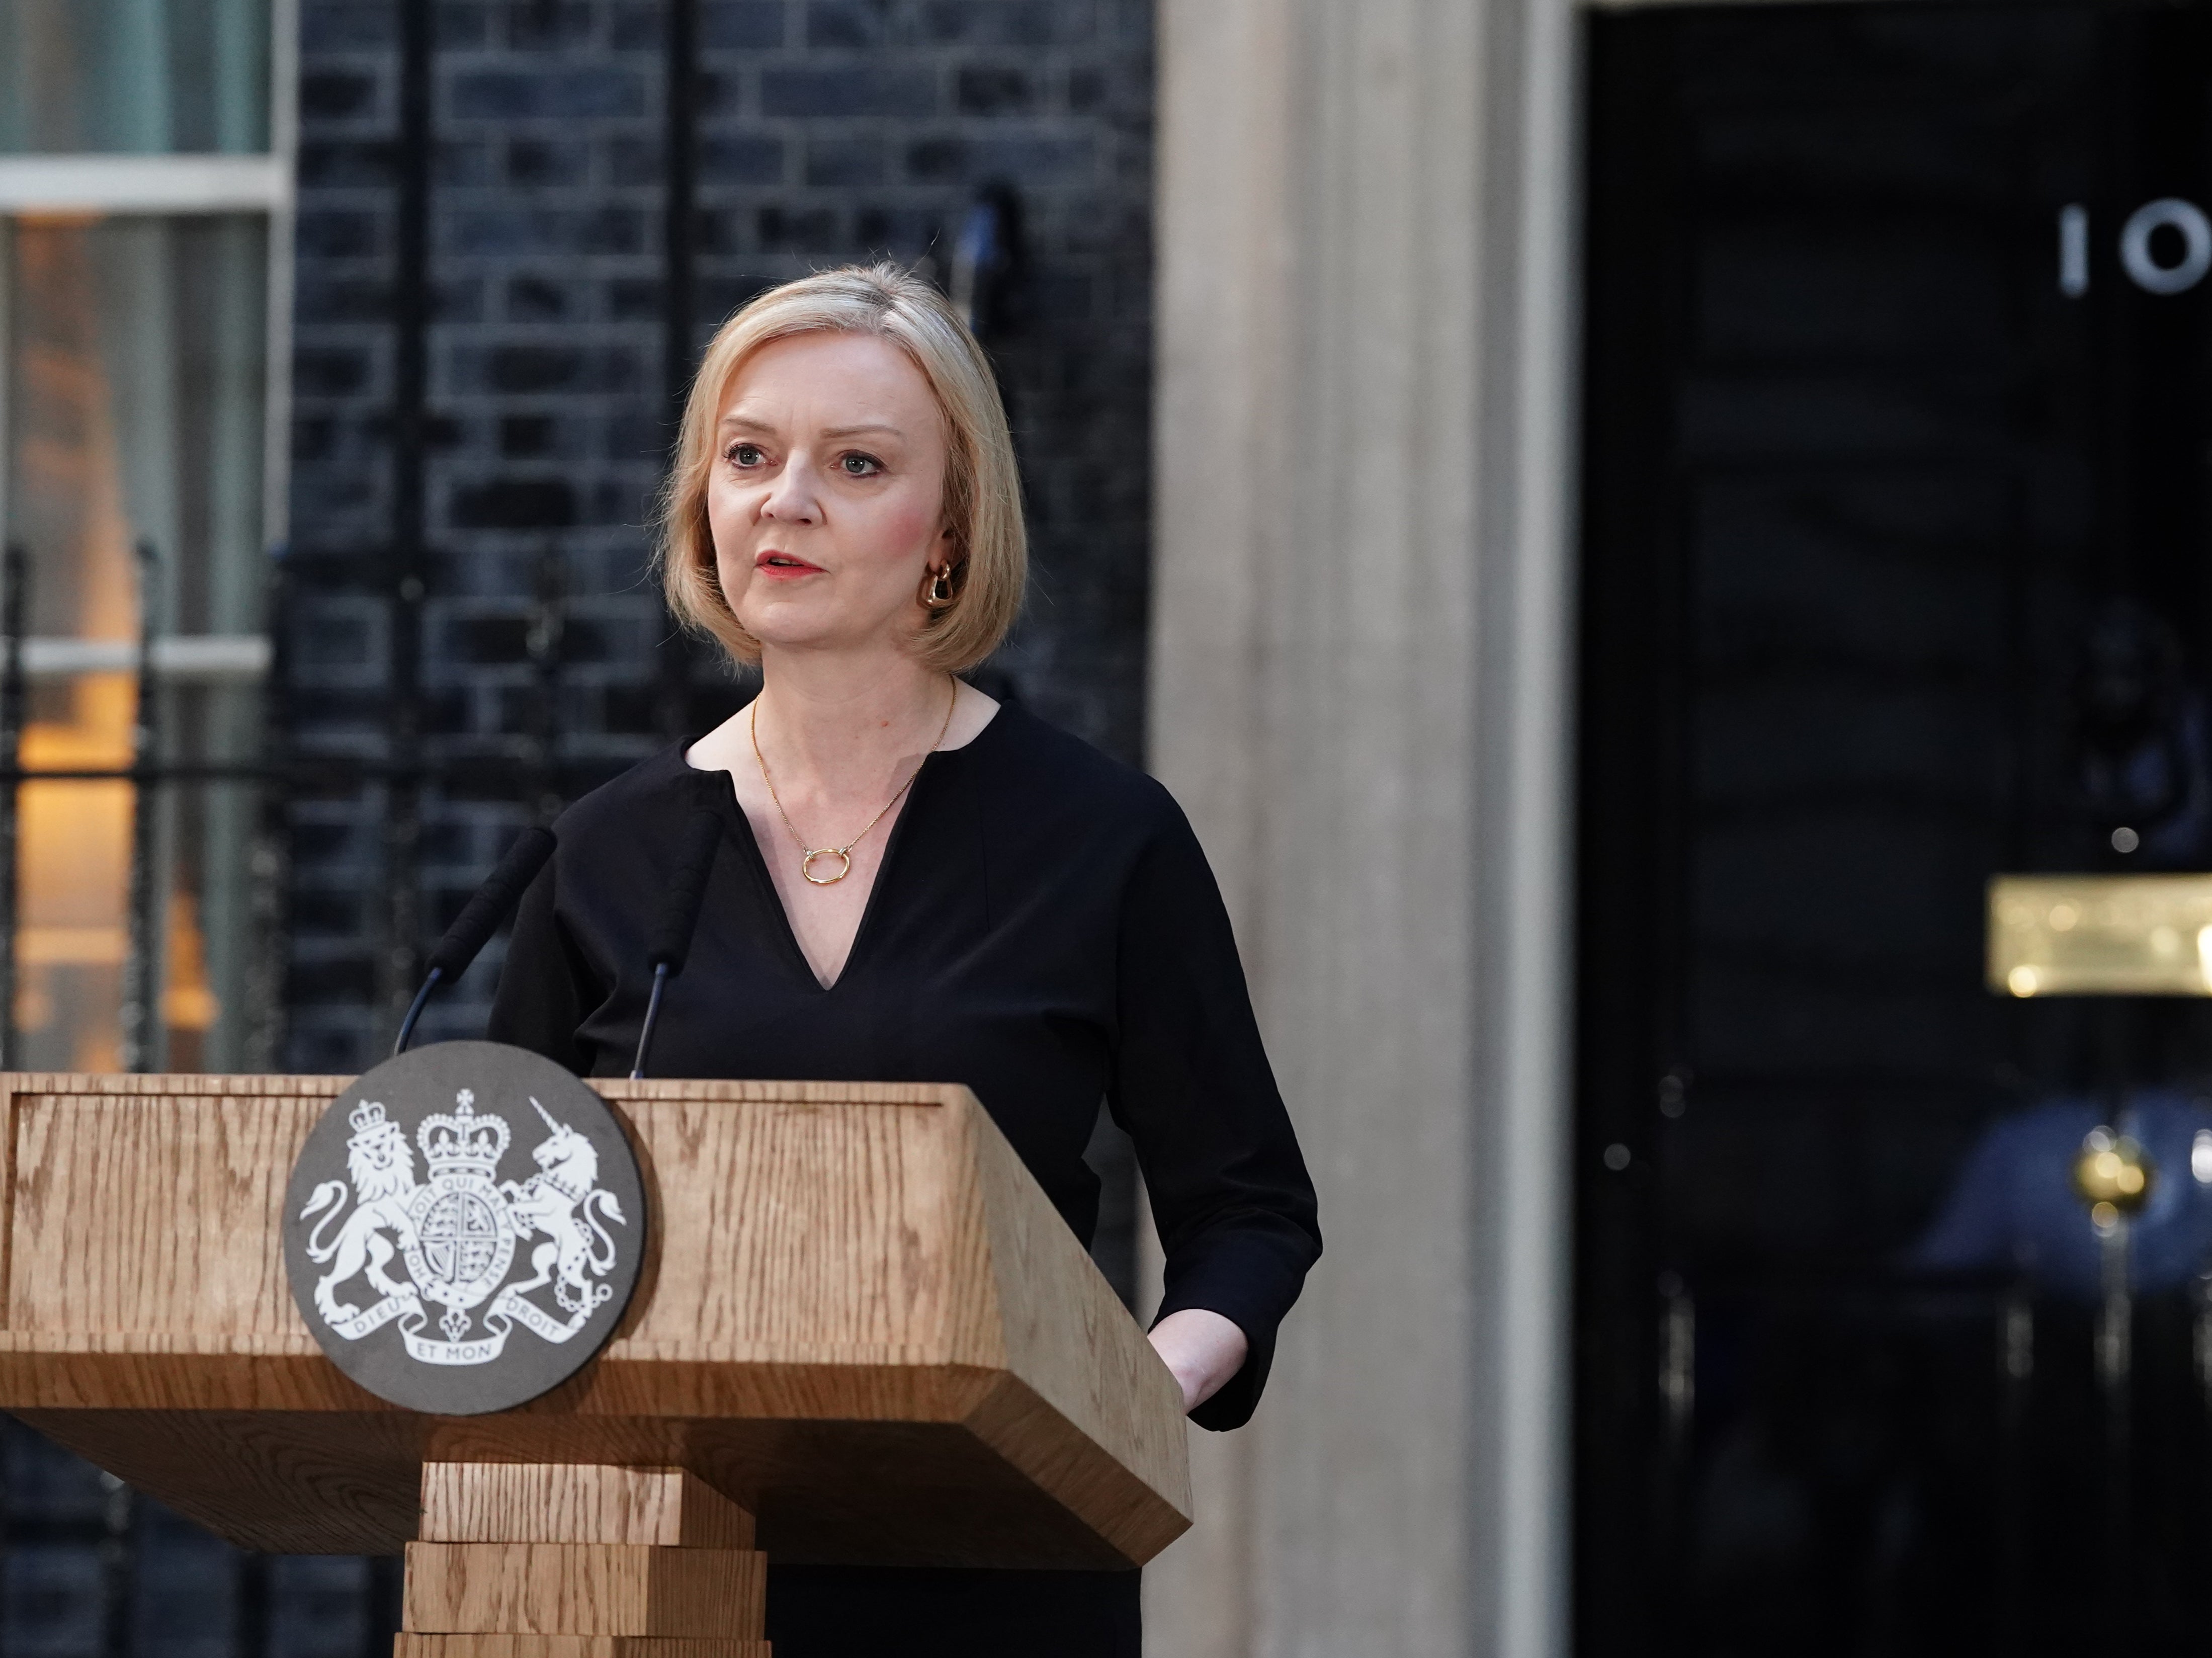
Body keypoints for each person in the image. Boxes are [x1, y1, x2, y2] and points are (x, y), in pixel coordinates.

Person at [488, 263, 1321, 1656]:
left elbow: (1249, 1211)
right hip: (650, 1573)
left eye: (855, 463)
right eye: (748, 456)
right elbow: (501, 1234)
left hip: (991, 1561)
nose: (784, 499)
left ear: (951, 530)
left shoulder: (1102, 836)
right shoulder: (604, 852)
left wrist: (1126, 1393)